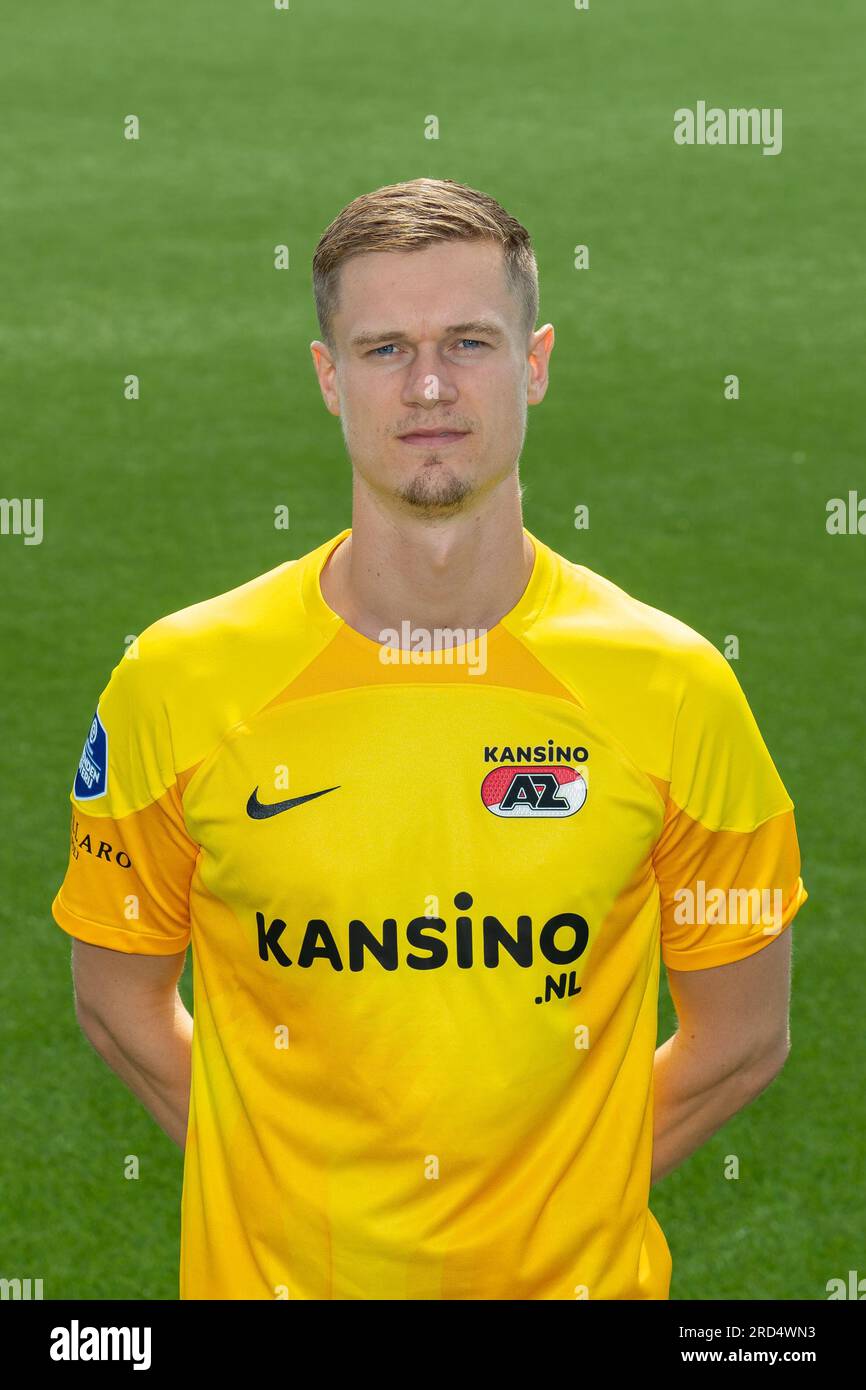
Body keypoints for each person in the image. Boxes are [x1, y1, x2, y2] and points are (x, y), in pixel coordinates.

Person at [52, 177, 808, 1300]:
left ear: (535, 361)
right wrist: (280, 1193)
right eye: (381, 349)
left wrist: (544, 1201)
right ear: (326, 378)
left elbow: (742, 1037)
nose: (427, 386)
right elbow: (117, 1004)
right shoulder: (176, 679)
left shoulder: (675, 687)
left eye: (468, 340)